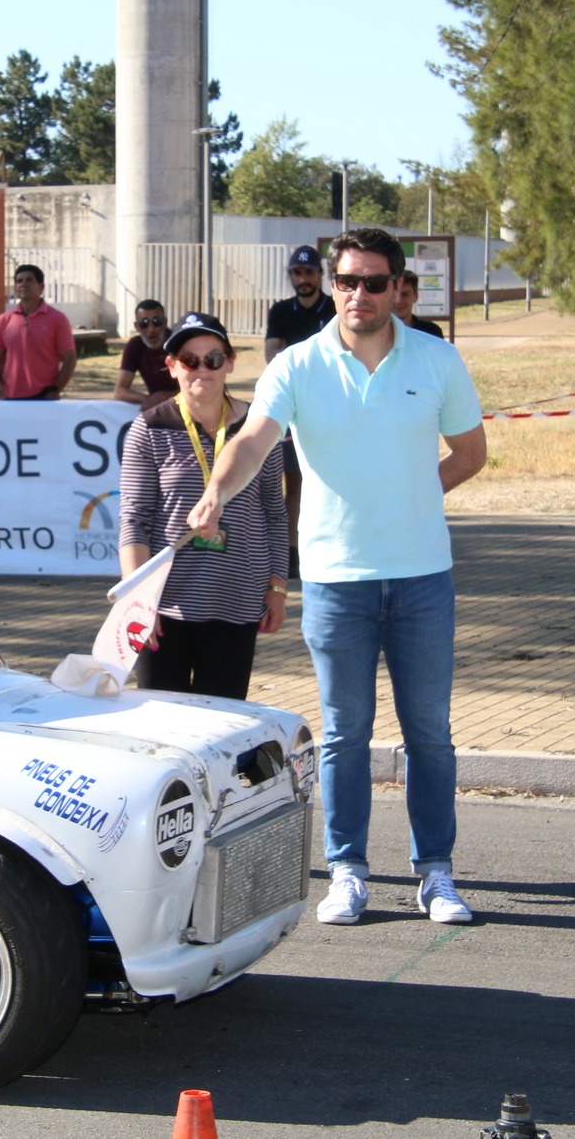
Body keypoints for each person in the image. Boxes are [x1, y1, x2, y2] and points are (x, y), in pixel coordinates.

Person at [188, 227, 488, 928]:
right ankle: (348, 870)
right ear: (332, 283)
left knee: (429, 734)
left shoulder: (436, 359)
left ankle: (435, 872)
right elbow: (252, 441)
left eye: (374, 282)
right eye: (347, 281)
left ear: (397, 288)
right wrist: (216, 494)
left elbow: (471, 452)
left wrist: (416, 493)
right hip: (334, 581)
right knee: (345, 733)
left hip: (421, 580)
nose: (359, 295)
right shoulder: (298, 365)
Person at [118, 312, 288, 699]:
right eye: (190, 359)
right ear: (172, 366)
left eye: (213, 358)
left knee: (224, 728)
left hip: (238, 600)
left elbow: (275, 514)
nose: (202, 369)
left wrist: (277, 586)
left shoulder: (259, 428)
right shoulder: (148, 429)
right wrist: (139, 598)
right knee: (163, 727)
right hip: (165, 603)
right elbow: (134, 519)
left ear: (229, 362)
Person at [264, 245, 336, 577]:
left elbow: (336, 358)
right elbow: (272, 356)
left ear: (321, 275)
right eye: (297, 272)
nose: (303, 278)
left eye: (309, 272)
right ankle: (290, 551)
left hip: (331, 404)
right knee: (292, 482)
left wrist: (294, 355)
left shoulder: (334, 308)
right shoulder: (280, 311)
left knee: (324, 478)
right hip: (294, 405)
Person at [0, 263, 76, 399]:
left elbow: (69, 359)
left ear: (41, 287)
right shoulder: (3, 320)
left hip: (44, 397)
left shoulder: (57, 319)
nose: (23, 284)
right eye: (19, 281)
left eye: (29, 280)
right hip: (11, 398)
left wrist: (56, 390)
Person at [112, 299, 177, 407]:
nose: (151, 329)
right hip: (159, 409)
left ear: (165, 323)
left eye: (156, 322)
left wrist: (160, 397)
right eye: (144, 324)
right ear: (137, 327)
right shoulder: (135, 346)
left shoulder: (178, 343)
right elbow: (119, 391)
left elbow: (193, 389)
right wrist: (147, 399)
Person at [396, 269, 445, 339]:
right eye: (394, 294)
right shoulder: (377, 333)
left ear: (416, 296)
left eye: (405, 294)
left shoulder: (432, 332)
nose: (398, 300)